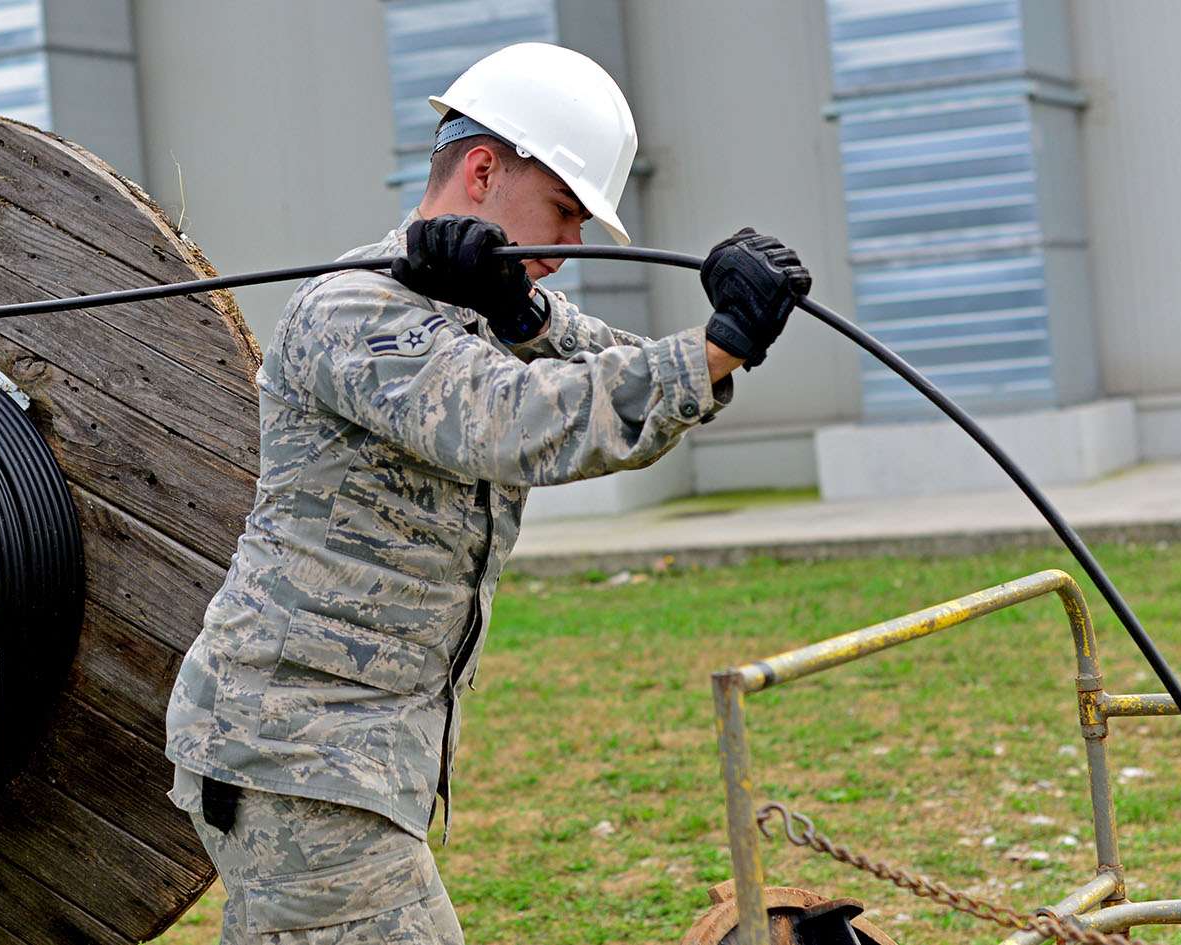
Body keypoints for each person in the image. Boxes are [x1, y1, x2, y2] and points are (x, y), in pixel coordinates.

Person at [163, 42, 810, 943]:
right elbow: (515, 422)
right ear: (481, 171)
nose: (572, 246)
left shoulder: (479, 306)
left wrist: (529, 316)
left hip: (343, 755)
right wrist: (713, 348)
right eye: (565, 212)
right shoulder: (351, 310)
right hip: (295, 754)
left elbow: (612, 370)